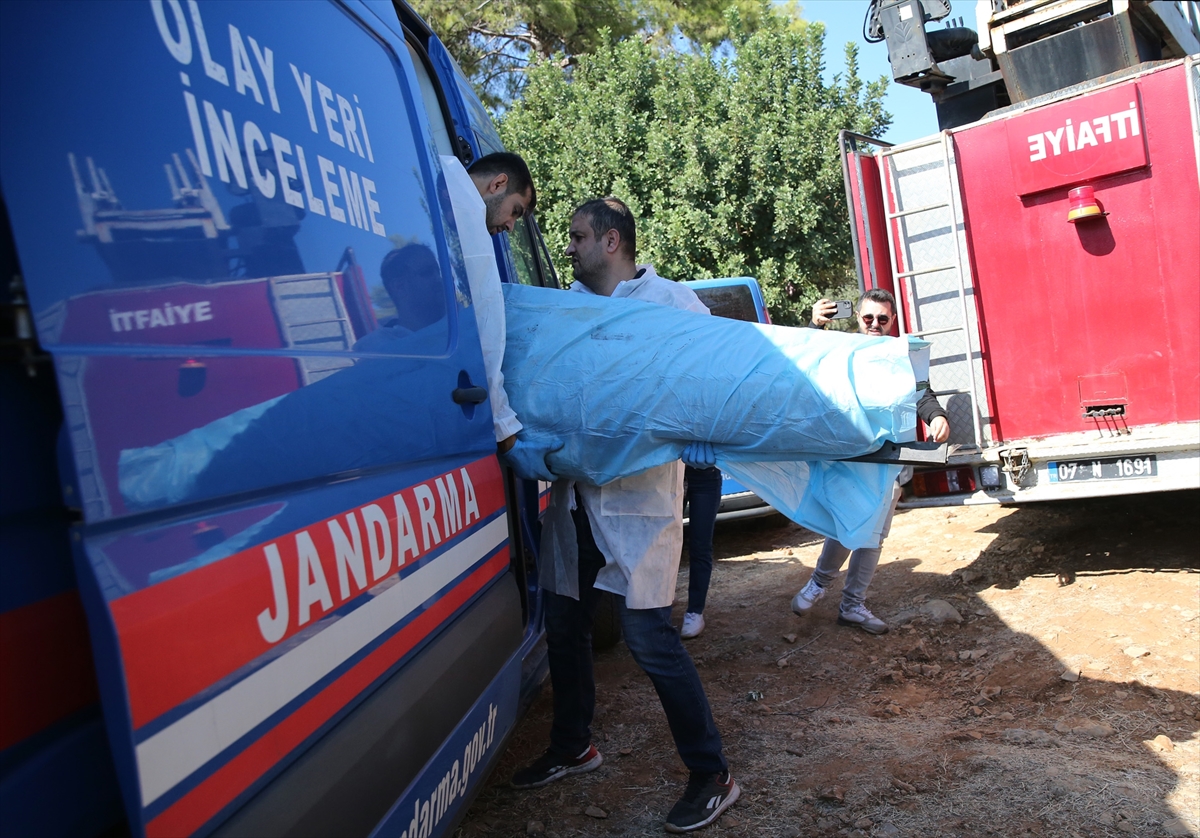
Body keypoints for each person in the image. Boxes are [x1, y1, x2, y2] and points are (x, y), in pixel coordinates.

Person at [511, 198, 739, 834]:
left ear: (612, 242)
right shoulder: (569, 312)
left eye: (579, 237)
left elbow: (714, 380)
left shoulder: (673, 306)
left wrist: (700, 432)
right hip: (576, 497)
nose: (570, 248)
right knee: (564, 622)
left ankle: (711, 772)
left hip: (639, 503)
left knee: (648, 637)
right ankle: (573, 745)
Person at [791, 289, 950, 635]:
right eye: (868, 318)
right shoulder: (844, 349)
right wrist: (815, 326)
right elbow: (805, 366)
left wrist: (936, 416)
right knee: (848, 522)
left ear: (893, 321)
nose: (875, 324)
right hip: (851, 458)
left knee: (873, 534)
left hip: (888, 462)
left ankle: (852, 604)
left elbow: (921, 392)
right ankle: (818, 584)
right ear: (858, 318)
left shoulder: (901, 354)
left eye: (882, 318)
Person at [438, 151, 560, 481]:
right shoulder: (469, 213)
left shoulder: (437, 171)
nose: (509, 225)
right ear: (498, 184)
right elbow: (486, 338)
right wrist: (507, 436)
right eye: (515, 211)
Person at [679, 452, 722, 640]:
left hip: (706, 475)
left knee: (700, 545)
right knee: (660, 543)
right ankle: (657, 607)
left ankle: (695, 612)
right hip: (668, 475)